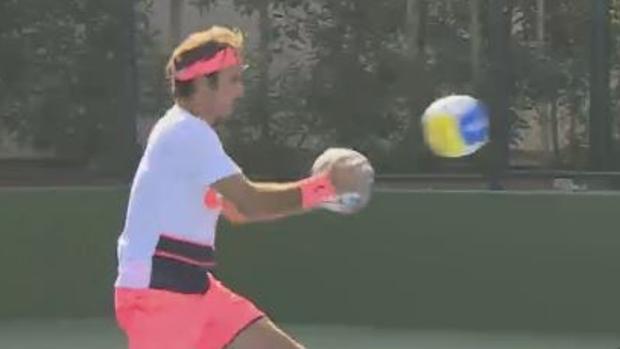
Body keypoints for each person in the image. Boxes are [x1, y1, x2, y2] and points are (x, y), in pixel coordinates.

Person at [114, 26, 367, 349]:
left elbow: (235, 210)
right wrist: (324, 188)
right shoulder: (186, 133)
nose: (240, 91)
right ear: (205, 83)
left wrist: (317, 192)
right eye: (233, 80)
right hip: (158, 297)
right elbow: (249, 202)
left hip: (195, 289)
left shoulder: (189, 133)